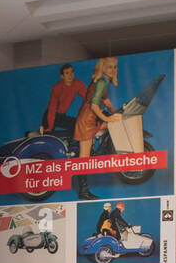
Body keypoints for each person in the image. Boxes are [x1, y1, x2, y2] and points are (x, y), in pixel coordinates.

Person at [72, 57, 120, 200]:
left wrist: (114, 111)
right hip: (87, 119)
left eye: (115, 67)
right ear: (103, 68)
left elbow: (104, 100)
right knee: (84, 159)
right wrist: (108, 118)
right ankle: (83, 191)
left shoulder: (103, 81)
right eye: (110, 67)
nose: (113, 70)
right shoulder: (102, 82)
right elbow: (94, 105)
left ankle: (98, 150)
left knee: (106, 127)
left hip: (90, 117)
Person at [42, 63, 86, 140]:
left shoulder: (78, 83)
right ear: (62, 76)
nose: (70, 75)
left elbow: (88, 97)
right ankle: (39, 132)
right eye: (67, 73)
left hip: (61, 116)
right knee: (47, 137)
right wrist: (50, 127)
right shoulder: (57, 88)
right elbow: (52, 108)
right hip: (50, 115)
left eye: (72, 72)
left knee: (77, 125)